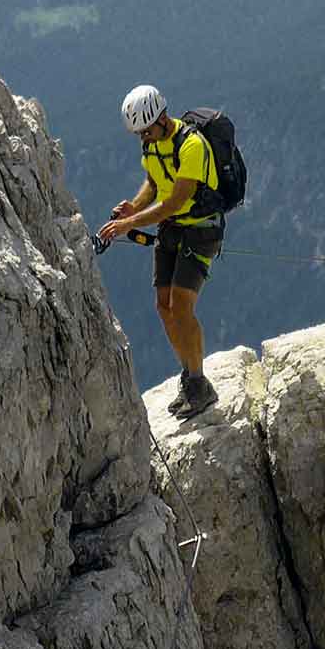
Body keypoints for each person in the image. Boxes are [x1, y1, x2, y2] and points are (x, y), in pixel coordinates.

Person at [98, 84, 225, 419]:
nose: (143, 139)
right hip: (171, 229)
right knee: (163, 306)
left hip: (200, 229)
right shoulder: (154, 144)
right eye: (139, 134)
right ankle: (189, 376)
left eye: (145, 131)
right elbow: (154, 183)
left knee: (181, 306)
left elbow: (176, 200)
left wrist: (131, 224)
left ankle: (199, 384)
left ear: (161, 118)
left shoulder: (192, 146)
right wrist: (132, 208)